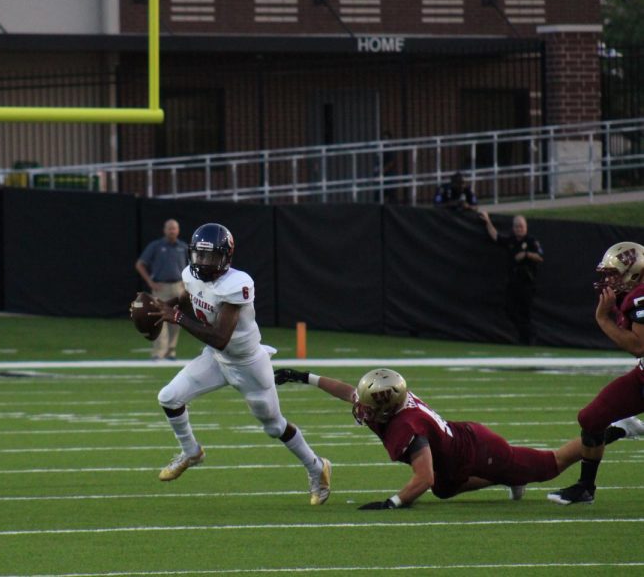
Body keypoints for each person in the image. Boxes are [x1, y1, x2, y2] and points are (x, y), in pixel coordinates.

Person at [274, 366, 639, 509]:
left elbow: (423, 477)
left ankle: (614, 430)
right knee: (445, 490)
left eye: (368, 407)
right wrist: (302, 376)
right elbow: (346, 391)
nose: (361, 409)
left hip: (480, 451)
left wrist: (392, 502)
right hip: (463, 445)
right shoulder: (384, 403)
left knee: (551, 465)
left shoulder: (405, 427)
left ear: (386, 406)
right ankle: (511, 479)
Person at [149, 223, 331, 505]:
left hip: (247, 364)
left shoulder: (238, 284)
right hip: (215, 358)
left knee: (273, 426)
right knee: (169, 397)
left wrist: (176, 318)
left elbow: (221, 337)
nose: (203, 262)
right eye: (199, 255)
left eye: (211, 257)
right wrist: (160, 306)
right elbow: (187, 299)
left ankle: (317, 467)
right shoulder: (190, 274)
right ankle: (191, 451)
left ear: (226, 257)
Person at [547, 241, 644, 505]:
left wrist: (603, 319)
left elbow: (638, 346)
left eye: (614, 273)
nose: (609, 280)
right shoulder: (633, 294)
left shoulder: (641, 296)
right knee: (591, 418)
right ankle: (586, 486)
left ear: (634, 272)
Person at [479, 212, 544, 345]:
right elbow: (496, 237)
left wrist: (526, 254)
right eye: (516, 226)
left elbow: (540, 257)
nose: (519, 229)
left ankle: (528, 339)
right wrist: (487, 221)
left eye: (521, 226)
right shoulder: (511, 240)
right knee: (509, 309)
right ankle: (524, 335)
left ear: (525, 227)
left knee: (525, 312)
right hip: (513, 282)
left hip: (527, 282)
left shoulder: (531, 241)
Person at [135, 219, 188, 360]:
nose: (172, 231)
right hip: (161, 287)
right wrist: (150, 282)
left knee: (176, 319)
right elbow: (140, 264)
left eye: (174, 228)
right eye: (170, 228)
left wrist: (186, 284)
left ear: (178, 230)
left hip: (178, 286)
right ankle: (159, 352)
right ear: (165, 230)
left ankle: (171, 351)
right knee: (159, 318)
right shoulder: (156, 246)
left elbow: (191, 267)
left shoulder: (183, 247)